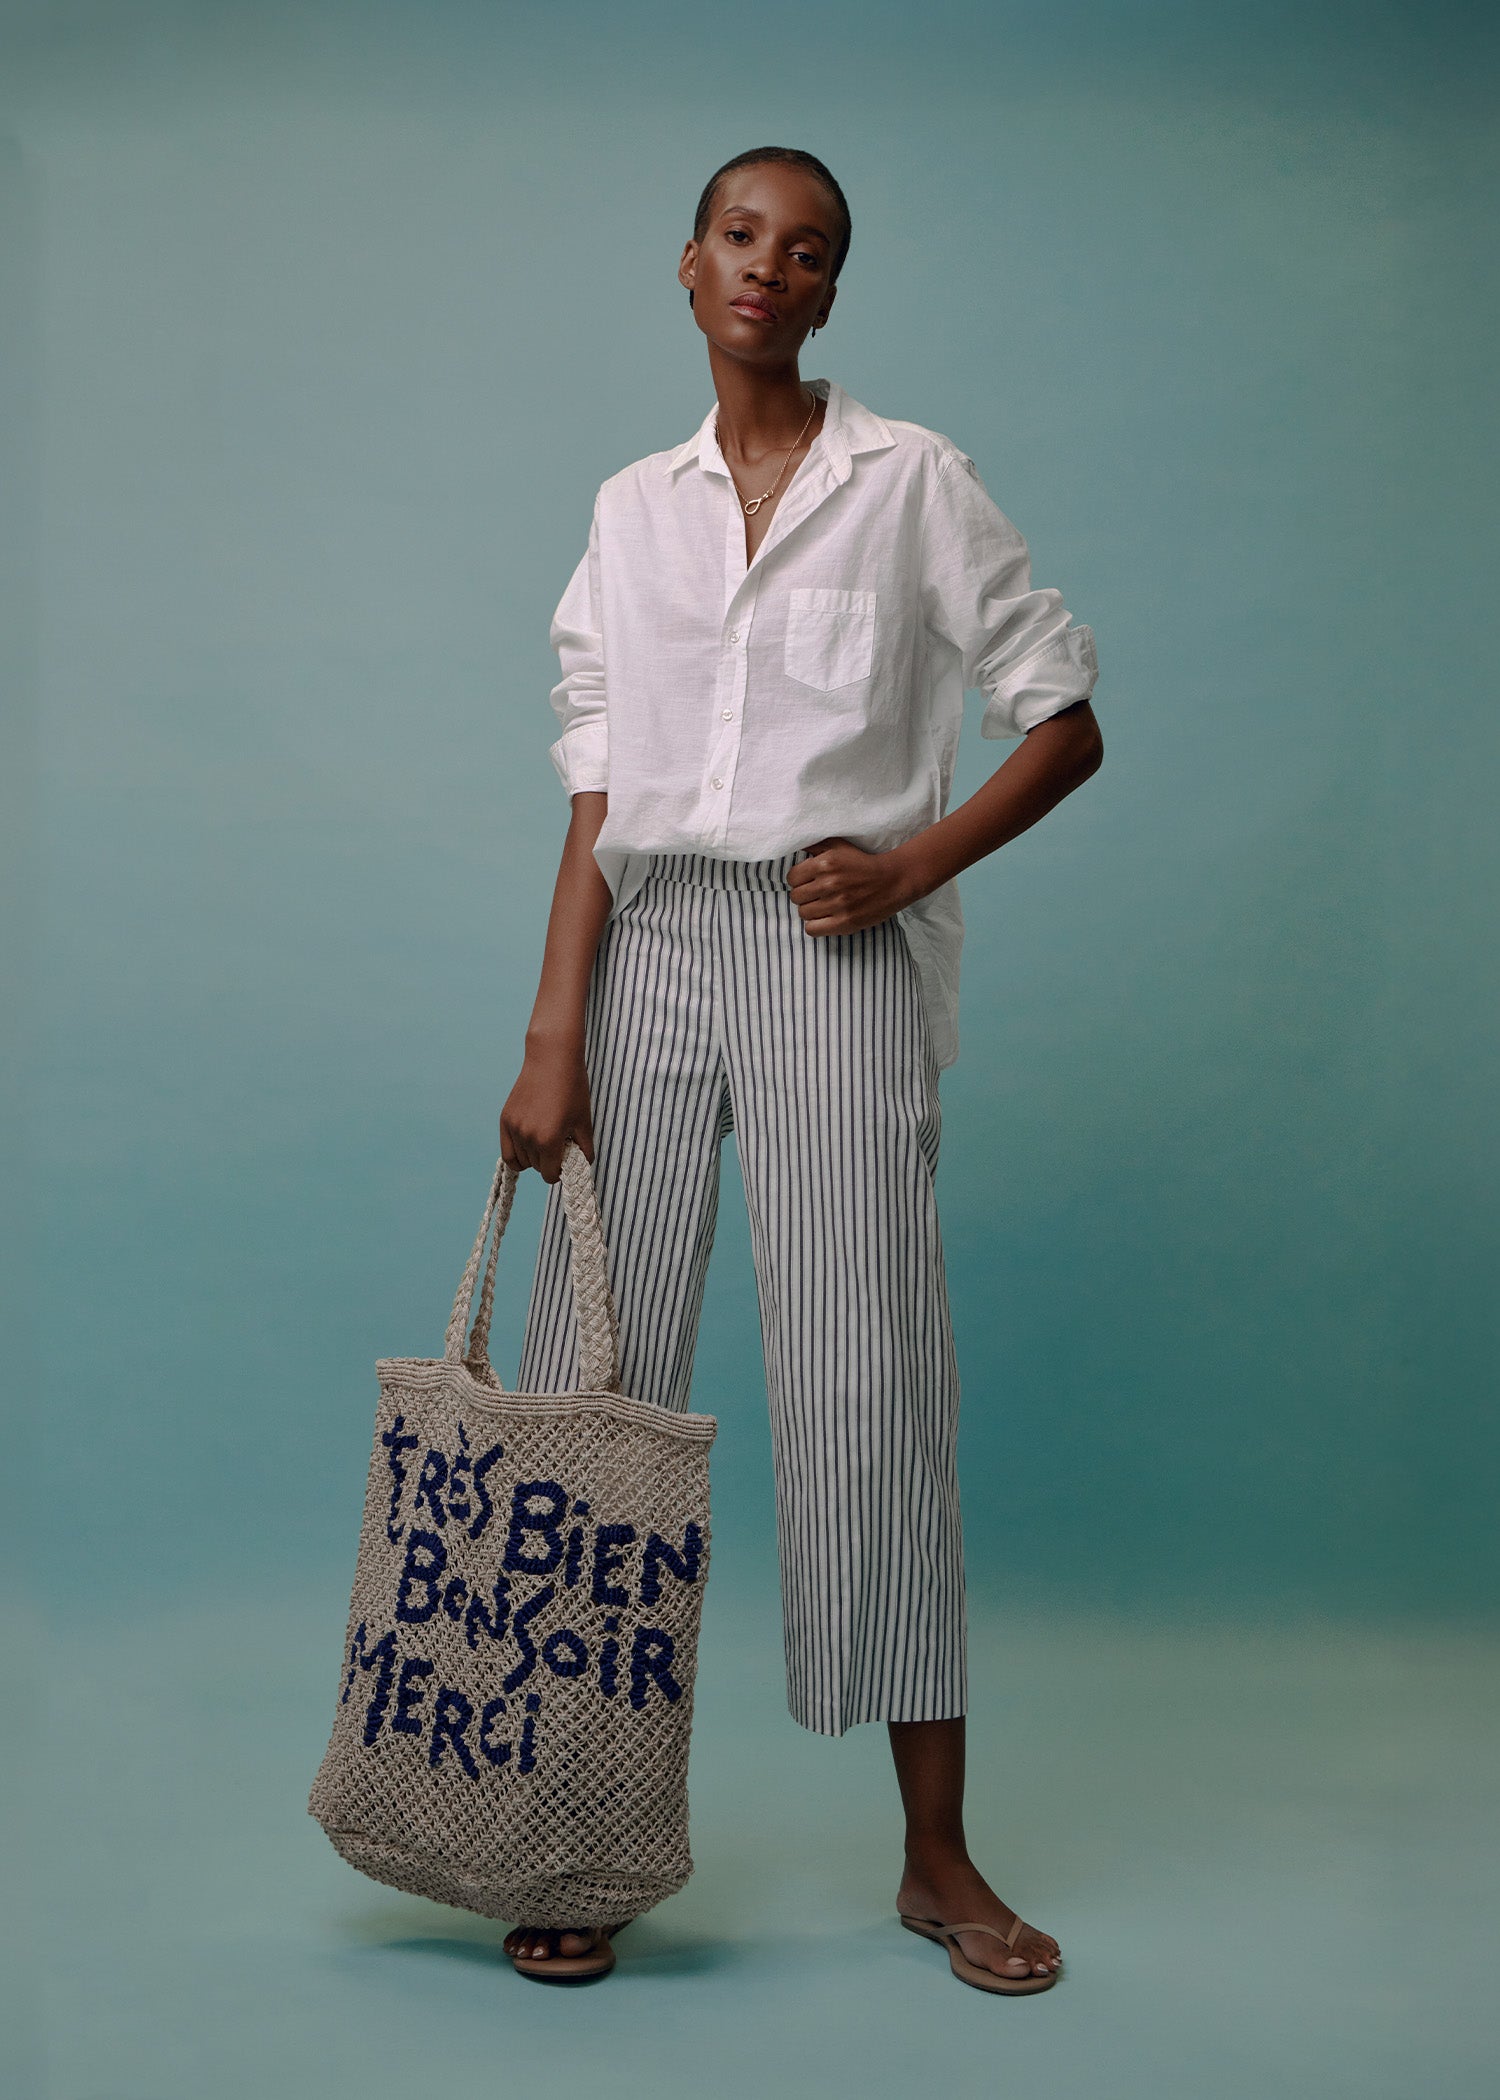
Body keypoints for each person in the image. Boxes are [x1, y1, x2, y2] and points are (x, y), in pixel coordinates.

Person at [497, 146, 1102, 1993]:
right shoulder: (629, 508)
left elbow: (1063, 716)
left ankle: (937, 1858)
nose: (771, 269)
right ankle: (572, 1837)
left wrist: (910, 863)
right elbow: (603, 786)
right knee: (593, 1389)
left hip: (837, 961)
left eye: (808, 251)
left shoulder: (916, 484)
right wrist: (550, 1034)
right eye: (743, 239)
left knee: (870, 1382)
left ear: (833, 292)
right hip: (651, 950)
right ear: (688, 269)